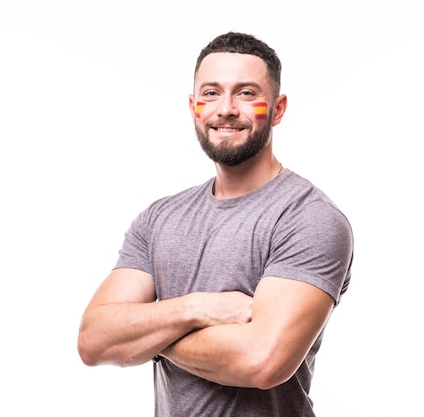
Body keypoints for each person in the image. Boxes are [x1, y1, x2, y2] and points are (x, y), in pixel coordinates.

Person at [77, 31, 354, 417]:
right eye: (211, 93)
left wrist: (148, 336)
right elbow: (94, 340)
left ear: (277, 108)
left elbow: (262, 360)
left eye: (246, 93)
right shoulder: (159, 218)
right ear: (194, 106)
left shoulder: (309, 217)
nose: (225, 108)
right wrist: (195, 309)